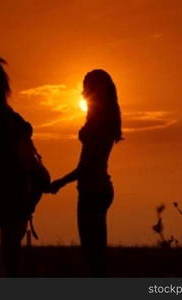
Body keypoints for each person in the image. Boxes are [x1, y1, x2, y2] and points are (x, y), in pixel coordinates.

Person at [48, 69, 123, 275]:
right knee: (96, 249)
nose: (84, 91)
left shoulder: (99, 124)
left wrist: (60, 182)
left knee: (92, 252)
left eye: (88, 85)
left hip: (92, 191)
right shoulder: (104, 118)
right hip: (99, 189)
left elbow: (87, 166)